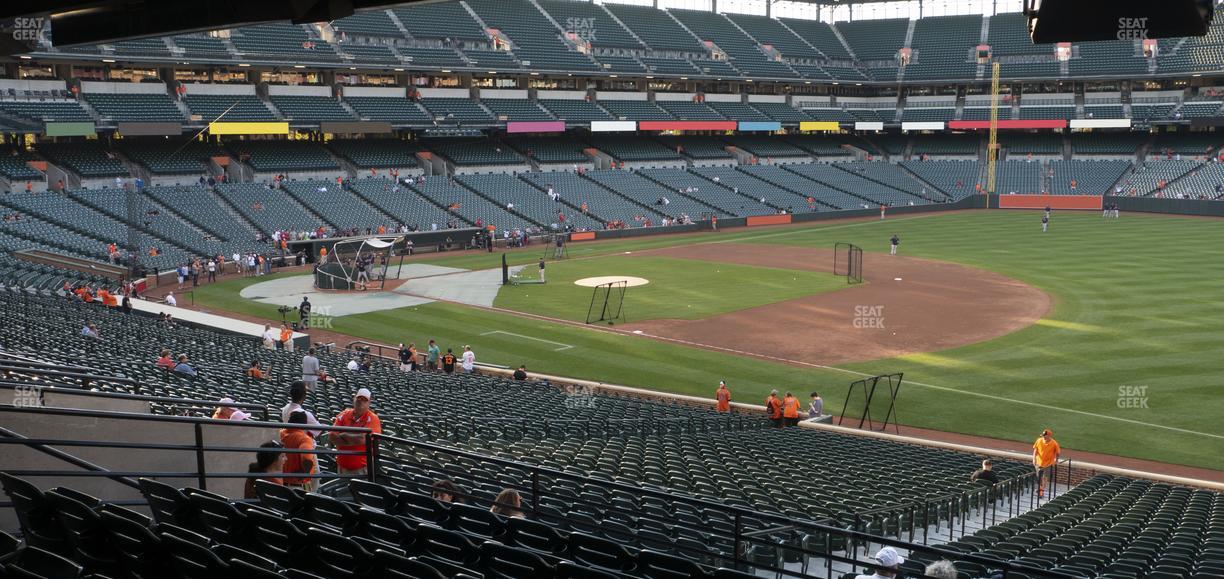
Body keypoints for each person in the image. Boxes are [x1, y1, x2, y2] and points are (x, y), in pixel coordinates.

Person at [331, 389, 382, 476]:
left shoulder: (373, 418)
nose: (361, 402)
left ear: (369, 403)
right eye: (359, 398)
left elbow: (362, 439)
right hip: (341, 466)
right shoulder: (345, 414)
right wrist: (353, 439)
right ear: (354, 399)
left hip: (361, 469)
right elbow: (332, 436)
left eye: (364, 400)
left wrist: (344, 435)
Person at [281, 411, 318, 491]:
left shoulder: (280, 433)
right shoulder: (304, 438)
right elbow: (307, 460)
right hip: (297, 487)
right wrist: (304, 473)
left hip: (279, 484)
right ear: (304, 424)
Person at [1033, 429, 1060, 498]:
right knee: (1039, 478)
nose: (1044, 437)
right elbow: (1035, 450)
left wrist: (1056, 461)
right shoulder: (1039, 440)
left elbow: (1058, 453)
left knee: (1045, 477)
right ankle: (1040, 489)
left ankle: (1041, 491)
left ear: (1049, 436)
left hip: (1048, 464)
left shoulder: (1054, 443)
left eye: (1045, 436)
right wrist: (1034, 459)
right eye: (1043, 436)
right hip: (1039, 462)